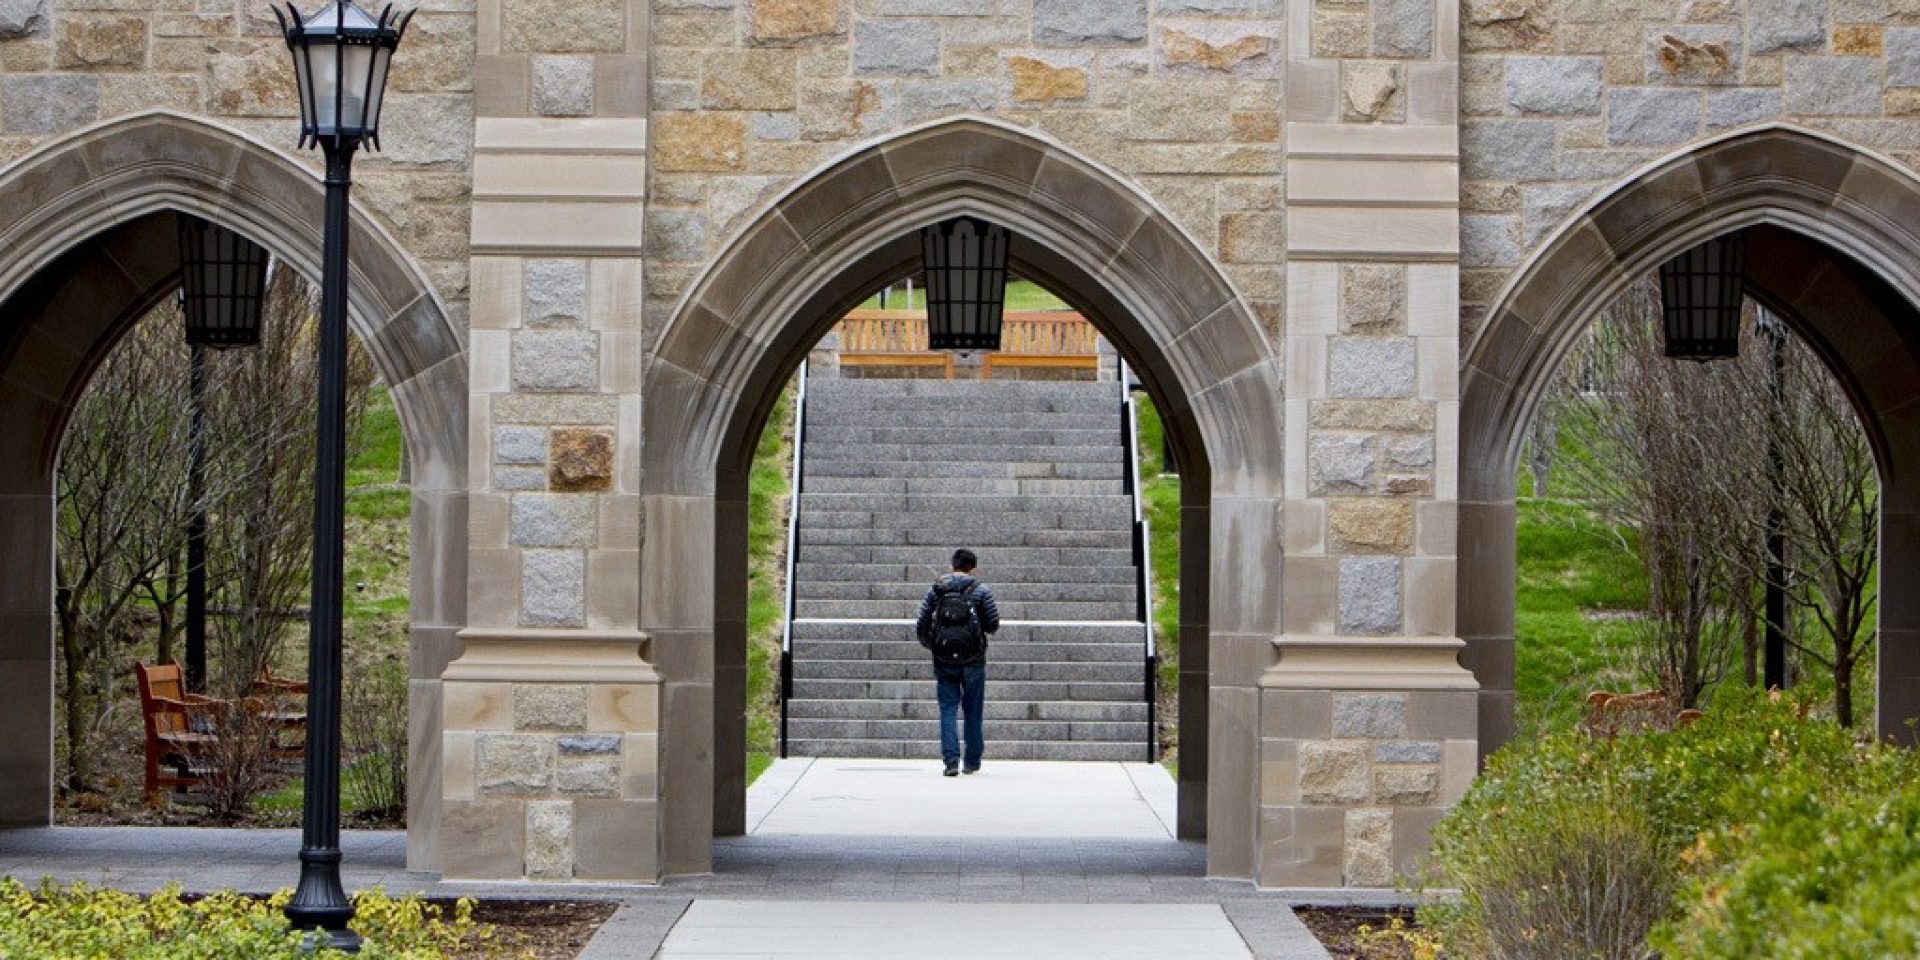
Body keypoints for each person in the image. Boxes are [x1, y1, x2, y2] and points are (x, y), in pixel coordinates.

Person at [915, 548, 1000, 777]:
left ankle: (950, 760)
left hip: (944, 659)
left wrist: (933, 646)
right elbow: (992, 624)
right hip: (973, 659)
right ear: (973, 568)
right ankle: (971, 761)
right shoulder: (981, 590)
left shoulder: (937, 590)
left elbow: (922, 623)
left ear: (952, 566)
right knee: (973, 710)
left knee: (948, 708)